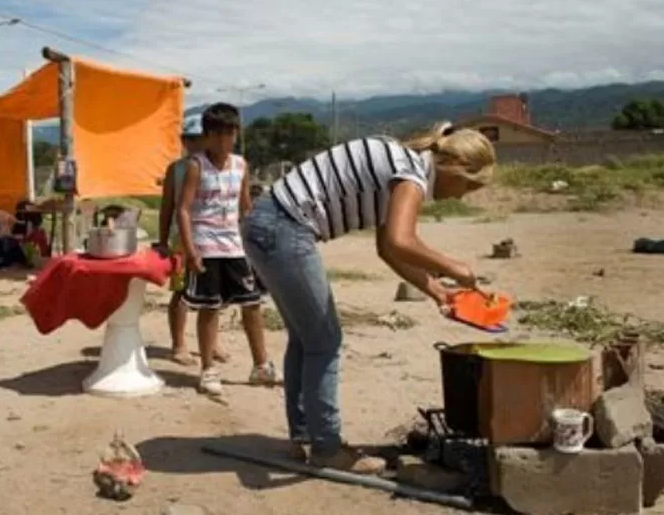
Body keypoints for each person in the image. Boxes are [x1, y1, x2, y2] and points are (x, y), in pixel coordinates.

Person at [241, 122, 496, 473]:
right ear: (455, 168)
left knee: (306, 339)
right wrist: (456, 268)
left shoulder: (404, 163)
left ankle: (305, 437)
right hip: (284, 227)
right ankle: (327, 448)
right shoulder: (412, 175)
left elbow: (386, 249)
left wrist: (436, 290)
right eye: (467, 186)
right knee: (324, 342)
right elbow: (400, 241)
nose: (461, 197)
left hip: (266, 222)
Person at [177, 103, 279, 396]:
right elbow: (183, 210)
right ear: (207, 136)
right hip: (206, 245)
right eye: (218, 134)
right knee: (209, 308)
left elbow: (245, 206)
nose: (224, 141)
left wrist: (258, 239)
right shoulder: (196, 166)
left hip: (235, 246)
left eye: (230, 134)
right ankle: (208, 369)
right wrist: (190, 249)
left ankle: (261, 365)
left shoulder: (241, 165)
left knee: (252, 303)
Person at [157, 114, 230, 366]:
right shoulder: (176, 169)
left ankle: (212, 342)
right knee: (181, 291)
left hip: (215, 241)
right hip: (182, 241)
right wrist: (163, 240)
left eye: (198, 138)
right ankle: (178, 344)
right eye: (188, 139)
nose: (192, 143)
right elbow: (167, 208)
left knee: (214, 293)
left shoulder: (221, 168)